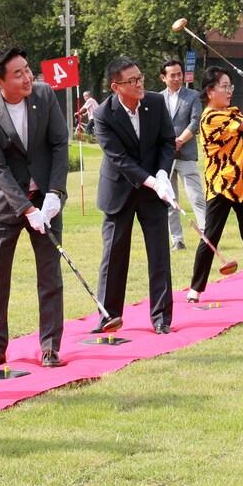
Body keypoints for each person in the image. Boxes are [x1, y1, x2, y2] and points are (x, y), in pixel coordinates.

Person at [0, 46, 71, 373]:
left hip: (46, 199)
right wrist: (27, 209)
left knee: (50, 275)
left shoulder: (44, 95)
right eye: (18, 74)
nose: (28, 77)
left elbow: (59, 144)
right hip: (6, 205)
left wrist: (55, 193)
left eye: (27, 69)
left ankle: (50, 347)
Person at [91, 57, 177, 333]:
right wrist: (151, 181)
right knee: (114, 255)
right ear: (116, 87)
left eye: (140, 78)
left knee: (159, 253)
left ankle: (161, 318)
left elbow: (167, 141)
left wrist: (162, 173)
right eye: (132, 81)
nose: (140, 84)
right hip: (119, 190)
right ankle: (109, 316)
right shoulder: (103, 115)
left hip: (154, 191)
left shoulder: (156, 102)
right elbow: (118, 158)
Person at [186, 67, 243, 304]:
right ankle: (196, 288)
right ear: (210, 91)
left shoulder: (230, 113)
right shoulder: (210, 117)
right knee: (211, 236)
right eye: (224, 87)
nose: (229, 91)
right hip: (222, 184)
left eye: (230, 87)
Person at [160, 59, 205, 251]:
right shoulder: (157, 98)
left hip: (186, 154)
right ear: (163, 78)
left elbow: (195, 122)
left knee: (196, 197)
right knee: (170, 201)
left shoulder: (193, 96)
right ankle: (177, 240)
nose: (177, 78)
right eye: (172, 75)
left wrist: (179, 140)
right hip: (165, 157)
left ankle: (206, 234)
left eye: (179, 74)